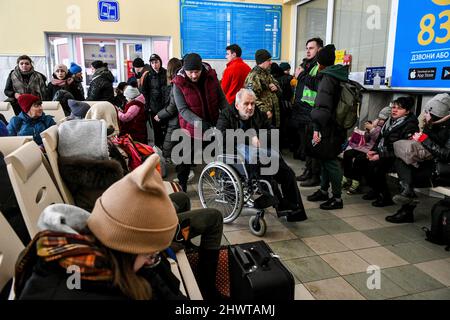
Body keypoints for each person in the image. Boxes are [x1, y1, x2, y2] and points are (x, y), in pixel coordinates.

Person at [15, 154, 187, 300]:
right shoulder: (77, 289)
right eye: (151, 255)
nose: (152, 260)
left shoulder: (108, 259)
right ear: (128, 247)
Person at [216, 88, 307, 222]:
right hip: (236, 156)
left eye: (252, 103)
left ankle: (294, 208)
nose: (250, 107)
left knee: (288, 174)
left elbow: (272, 131)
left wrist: (259, 138)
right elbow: (222, 135)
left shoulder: (258, 113)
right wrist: (248, 139)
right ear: (237, 105)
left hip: (259, 153)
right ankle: (273, 200)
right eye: (246, 104)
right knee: (268, 174)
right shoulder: (226, 114)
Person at [386, 93, 450, 223]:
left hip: (441, 170)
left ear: (437, 114)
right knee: (401, 161)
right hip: (429, 163)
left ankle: (406, 208)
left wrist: (424, 140)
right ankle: (407, 197)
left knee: (407, 177)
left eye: (427, 112)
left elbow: (446, 155)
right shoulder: (432, 124)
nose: (425, 115)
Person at [172, 53, 227, 191]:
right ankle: (182, 185)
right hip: (191, 128)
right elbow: (183, 110)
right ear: (185, 70)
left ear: (201, 68)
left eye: (197, 71)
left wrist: (228, 114)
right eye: (190, 72)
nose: (194, 75)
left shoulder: (211, 76)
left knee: (218, 156)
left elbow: (221, 99)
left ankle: (221, 182)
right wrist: (200, 123)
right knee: (185, 160)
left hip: (212, 125)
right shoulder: (179, 83)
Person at [305, 44, 349, 210]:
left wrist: (316, 127)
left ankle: (337, 198)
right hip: (333, 125)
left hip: (328, 127)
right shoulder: (334, 75)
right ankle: (324, 190)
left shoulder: (328, 79)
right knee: (324, 159)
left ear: (320, 63)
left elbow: (322, 107)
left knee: (330, 161)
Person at [364, 97, 419, 207]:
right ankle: (376, 190)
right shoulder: (388, 122)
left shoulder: (410, 125)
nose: (394, 110)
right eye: (394, 107)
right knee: (363, 162)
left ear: (407, 112)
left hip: (397, 157)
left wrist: (379, 156)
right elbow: (380, 139)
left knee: (376, 168)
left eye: (399, 108)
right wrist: (373, 151)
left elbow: (402, 149)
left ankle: (385, 197)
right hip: (384, 152)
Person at [293, 38, 323, 186]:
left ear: (319, 49)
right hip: (302, 111)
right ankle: (308, 170)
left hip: (311, 111)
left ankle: (314, 175)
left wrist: (302, 75)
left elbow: (317, 85)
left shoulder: (320, 66)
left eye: (311, 48)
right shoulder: (307, 64)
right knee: (306, 145)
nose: (308, 51)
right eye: (307, 48)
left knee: (313, 146)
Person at [342, 107, 390, 195]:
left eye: (383, 119)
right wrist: (368, 130)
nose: (380, 121)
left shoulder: (387, 127)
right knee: (348, 154)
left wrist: (372, 129)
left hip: (374, 149)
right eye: (379, 118)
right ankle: (347, 176)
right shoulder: (377, 125)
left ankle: (356, 182)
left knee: (359, 159)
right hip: (366, 147)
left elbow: (379, 139)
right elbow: (367, 139)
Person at [244, 49, 281, 127]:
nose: (271, 62)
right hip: (262, 117)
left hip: (272, 117)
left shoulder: (267, 73)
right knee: (263, 138)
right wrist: (265, 110)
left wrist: (276, 87)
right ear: (262, 61)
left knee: (272, 138)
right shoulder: (254, 76)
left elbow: (278, 86)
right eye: (269, 60)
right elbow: (250, 97)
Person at [156, 57, 183, 160]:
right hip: (183, 119)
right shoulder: (182, 81)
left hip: (175, 120)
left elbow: (172, 107)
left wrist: (159, 115)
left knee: (168, 146)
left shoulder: (175, 84)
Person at [142, 54, 168, 148]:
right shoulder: (148, 75)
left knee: (166, 129)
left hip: (166, 107)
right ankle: (158, 149)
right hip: (154, 108)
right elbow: (145, 92)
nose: (154, 65)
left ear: (160, 62)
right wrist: (148, 106)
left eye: (156, 62)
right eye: (152, 63)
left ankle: (166, 148)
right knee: (156, 131)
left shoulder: (166, 73)